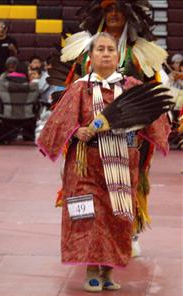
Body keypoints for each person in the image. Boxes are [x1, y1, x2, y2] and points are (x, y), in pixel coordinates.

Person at [37, 33, 170, 292]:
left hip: (121, 162)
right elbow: (58, 123)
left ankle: (108, 270)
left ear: (118, 56)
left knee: (115, 215)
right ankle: (90, 270)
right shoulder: (79, 88)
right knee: (88, 215)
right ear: (91, 56)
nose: (106, 53)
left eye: (111, 49)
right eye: (100, 49)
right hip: (86, 163)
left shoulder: (130, 86)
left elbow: (153, 118)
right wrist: (77, 131)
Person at [56, 0, 169, 254]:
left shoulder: (139, 53)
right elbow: (72, 86)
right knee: (88, 183)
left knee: (128, 180)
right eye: (109, 10)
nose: (114, 14)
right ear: (101, 14)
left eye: (119, 10)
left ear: (129, 15)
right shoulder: (86, 50)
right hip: (90, 132)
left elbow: (152, 92)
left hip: (129, 132)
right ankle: (88, 237)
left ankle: (129, 231)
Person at [0, 56, 39, 142]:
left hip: (7, 114)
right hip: (27, 114)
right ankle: (28, 137)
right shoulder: (30, 83)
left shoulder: (3, 80)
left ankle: (5, 137)